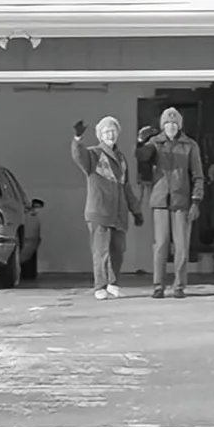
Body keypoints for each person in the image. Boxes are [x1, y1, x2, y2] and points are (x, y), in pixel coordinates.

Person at [136, 107, 204, 299]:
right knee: (161, 245)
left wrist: (196, 202)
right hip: (160, 200)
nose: (171, 127)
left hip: (182, 201)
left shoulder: (190, 145)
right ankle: (158, 286)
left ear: (179, 125)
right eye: (167, 124)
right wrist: (141, 141)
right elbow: (142, 157)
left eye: (174, 124)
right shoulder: (155, 143)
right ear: (162, 126)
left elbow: (198, 175)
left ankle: (179, 286)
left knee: (182, 246)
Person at [72, 116, 143, 300]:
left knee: (118, 250)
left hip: (118, 213)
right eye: (105, 132)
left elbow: (126, 186)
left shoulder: (121, 158)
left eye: (112, 131)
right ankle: (100, 286)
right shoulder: (93, 155)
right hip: (100, 212)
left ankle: (113, 283)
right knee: (101, 250)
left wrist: (136, 210)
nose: (110, 134)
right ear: (99, 136)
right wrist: (78, 139)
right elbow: (79, 156)